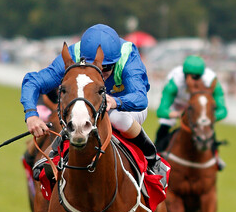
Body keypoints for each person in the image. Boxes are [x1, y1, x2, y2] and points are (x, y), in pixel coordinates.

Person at [21, 23, 169, 186]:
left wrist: (116, 101)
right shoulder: (74, 54)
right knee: (74, 113)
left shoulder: (128, 55)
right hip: (90, 104)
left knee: (116, 118)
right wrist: (31, 114)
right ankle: (55, 151)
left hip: (126, 106)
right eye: (93, 67)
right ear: (83, 59)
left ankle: (152, 158)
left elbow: (140, 98)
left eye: (106, 68)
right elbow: (33, 82)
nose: (101, 74)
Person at [155, 55, 228, 169]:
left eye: (197, 77)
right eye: (191, 77)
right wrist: (178, 114)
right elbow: (161, 110)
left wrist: (207, 118)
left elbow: (223, 111)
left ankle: (215, 158)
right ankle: (154, 159)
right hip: (177, 106)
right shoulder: (174, 81)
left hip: (198, 109)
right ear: (184, 75)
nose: (194, 81)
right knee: (163, 130)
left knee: (208, 131)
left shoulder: (211, 80)